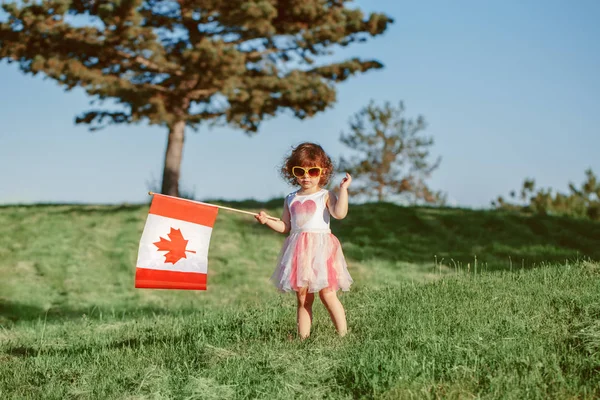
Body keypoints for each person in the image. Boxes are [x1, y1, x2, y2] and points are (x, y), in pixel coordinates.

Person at [255, 142, 353, 339]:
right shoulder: (291, 198)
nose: (306, 176)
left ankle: (343, 335)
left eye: (313, 171)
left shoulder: (325, 195)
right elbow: (286, 227)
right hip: (299, 251)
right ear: (292, 172)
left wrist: (343, 191)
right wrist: (267, 221)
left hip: (322, 249)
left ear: (322, 172)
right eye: (300, 171)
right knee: (303, 298)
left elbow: (339, 213)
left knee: (327, 293)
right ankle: (303, 339)